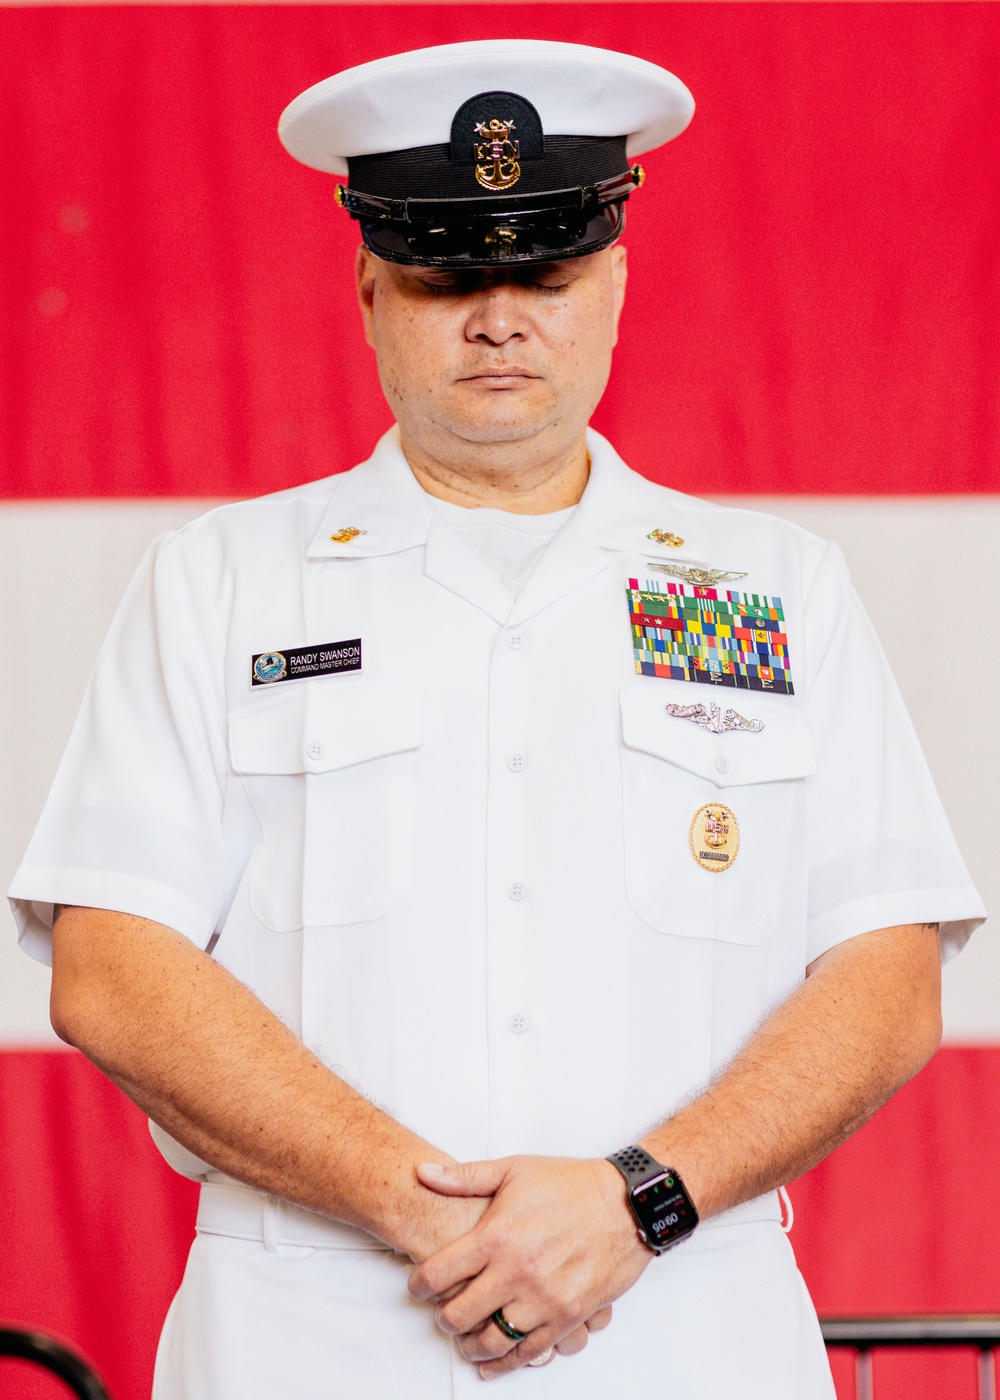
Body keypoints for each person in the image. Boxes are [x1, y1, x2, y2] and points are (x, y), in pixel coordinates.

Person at [8, 37, 985, 1400]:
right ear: (367, 290)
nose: (499, 315)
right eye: (447, 271)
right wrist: (425, 1213)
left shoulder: (775, 588)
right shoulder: (220, 581)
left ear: (617, 281)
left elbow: (886, 982)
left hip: (686, 1332)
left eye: (546, 270)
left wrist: (634, 1201)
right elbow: (111, 965)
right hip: (314, 1341)